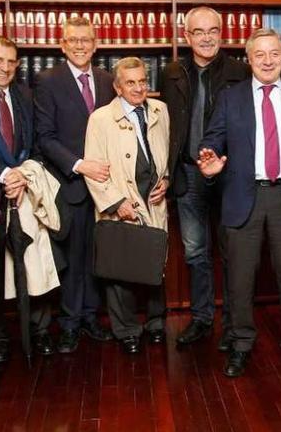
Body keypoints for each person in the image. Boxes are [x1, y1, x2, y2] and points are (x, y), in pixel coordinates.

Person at [198, 28, 281, 381]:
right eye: (259, 55)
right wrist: (209, 162)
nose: (267, 61)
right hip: (241, 196)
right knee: (239, 279)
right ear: (248, 59)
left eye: (274, 54)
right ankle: (240, 344)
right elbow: (211, 139)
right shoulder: (230, 97)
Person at [162, 6, 250, 351]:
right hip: (187, 174)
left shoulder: (240, 72)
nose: (207, 38)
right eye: (198, 32)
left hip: (229, 173)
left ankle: (232, 323)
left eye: (213, 30)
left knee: (232, 252)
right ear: (187, 36)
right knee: (196, 252)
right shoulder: (171, 73)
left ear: (222, 33)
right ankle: (201, 320)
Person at [0, 36, 53, 363]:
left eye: (11, 61)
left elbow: (34, 144)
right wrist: (4, 174)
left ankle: (38, 329)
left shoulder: (25, 95)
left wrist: (22, 175)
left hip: (24, 189)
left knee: (33, 259)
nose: (5, 68)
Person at [35, 16, 116, 353]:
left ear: (95, 44)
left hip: (107, 186)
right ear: (62, 44)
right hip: (70, 183)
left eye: (86, 39)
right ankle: (68, 324)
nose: (81, 45)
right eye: (74, 40)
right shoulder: (46, 81)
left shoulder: (108, 79)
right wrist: (81, 166)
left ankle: (90, 318)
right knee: (73, 256)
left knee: (98, 256)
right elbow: (45, 138)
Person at [84, 57, 170, 354]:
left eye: (142, 81)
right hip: (122, 203)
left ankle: (156, 323)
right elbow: (93, 171)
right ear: (118, 87)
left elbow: (165, 157)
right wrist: (116, 202)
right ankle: (128, 330)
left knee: (154, 264)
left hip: (153, 201)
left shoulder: (161, 111)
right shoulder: (100, 119)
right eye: (130, 83)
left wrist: (166, 181)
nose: (138, 88)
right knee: (121, 270)